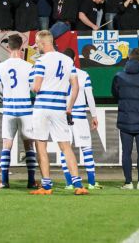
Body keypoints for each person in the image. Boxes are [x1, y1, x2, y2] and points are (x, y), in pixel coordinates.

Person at [29, 30, 87, 196]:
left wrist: (32, 84)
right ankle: (78, 184)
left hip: (42, 107)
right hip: (59, 107)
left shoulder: (41, 61)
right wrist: (69, 107)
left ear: (43, 43)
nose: (36, 46)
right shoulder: (67, 60)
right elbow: (75, 87)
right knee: (66, 146)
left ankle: (46, 186)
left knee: (41, 145)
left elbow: (36, 87)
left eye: (37, 44)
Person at [0, 34, 38, 189]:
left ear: (8, 47)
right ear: (21, 47)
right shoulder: (28, 66)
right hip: (25, 109)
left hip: (8, 109)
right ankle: (31, 181)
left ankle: (5, 181)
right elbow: (34, 88)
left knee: (7, 144)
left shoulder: (1, 66)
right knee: (29, 145)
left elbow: (1, 88)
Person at [112, 47, 139, 190]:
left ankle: (128, 182)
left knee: (126, 152)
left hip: (125, 119)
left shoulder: (119, 76)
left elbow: (115, 94)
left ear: (129, 58)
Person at [59, 48, 100, 190]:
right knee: (86, 149)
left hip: (64, 116)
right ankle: (92, 182)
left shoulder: (59, 75)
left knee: (65, 149)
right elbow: (90, 97)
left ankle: (69, 183)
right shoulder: (83, 74)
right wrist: (94, 115)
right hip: (80, 116)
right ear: (75, 57)